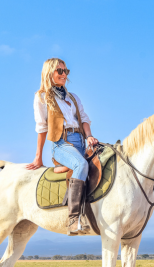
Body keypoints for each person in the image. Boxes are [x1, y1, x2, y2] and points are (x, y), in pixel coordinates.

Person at [26, 58, 99, 236]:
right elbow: (42, 128)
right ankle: (73, 219)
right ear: (49, 73)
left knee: (102, 160)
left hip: (81, 140)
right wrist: (38, 157)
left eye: (66, 71)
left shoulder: (73, 97)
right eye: (60, 71)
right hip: (61, 143)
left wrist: (89, 136)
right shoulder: (42, 96)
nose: (64, 74)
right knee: (80, 165)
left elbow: (84, 118)